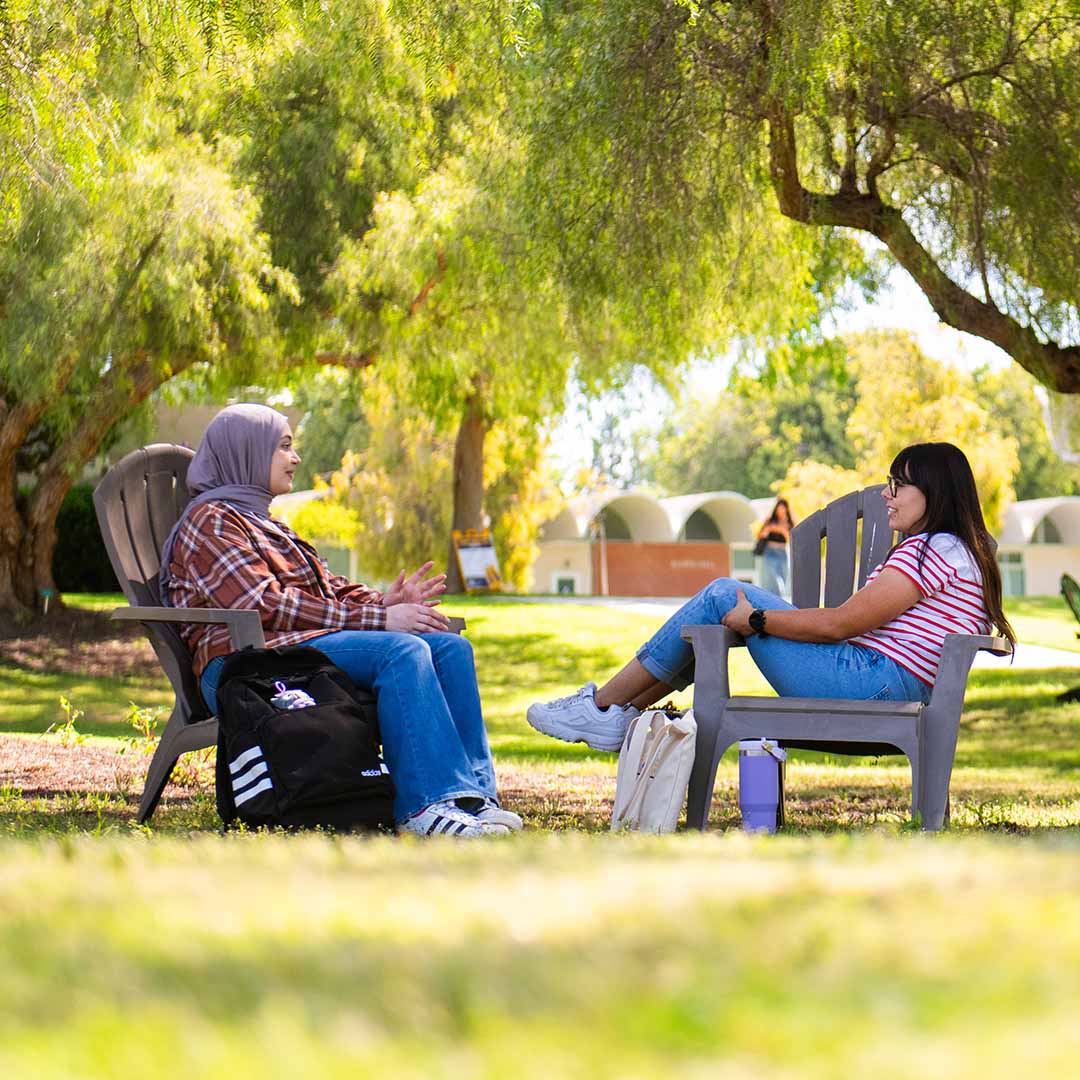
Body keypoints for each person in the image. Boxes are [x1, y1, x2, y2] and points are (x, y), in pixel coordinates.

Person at [160, 403, 521, 838]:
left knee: (448, 647)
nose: (295, 459)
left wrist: (383, 601)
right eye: (284, 447)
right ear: (247, 452)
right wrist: (382, 620)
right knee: (401, 651)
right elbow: (263, 603)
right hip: (247, 666)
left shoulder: (268, 524)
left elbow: (328, 586)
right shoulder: (211, 520)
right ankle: (424, 806)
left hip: (295, 650)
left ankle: (471, 798)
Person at [528, 442, 1016, 750]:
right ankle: (618, 714)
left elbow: (839, 625)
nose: (888, 494)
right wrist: (754, 619)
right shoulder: (956, 551)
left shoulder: (930, 549)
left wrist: (757, 619)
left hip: (872, 685)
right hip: (890, 685)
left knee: (723, 594)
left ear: (934, 492)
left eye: (899, 485)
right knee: (723, 610)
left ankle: (602, 707)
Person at [755, 498, 794, 599]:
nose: (780, 511)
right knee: (773, 579)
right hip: (769, 552)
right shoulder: (770, 520)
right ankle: (775, 600)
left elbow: (791, 539)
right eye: (779, 509)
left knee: (783, 578)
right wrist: (768, 529)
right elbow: (760, 535)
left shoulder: (790, 523)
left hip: (782, 552)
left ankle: (778, 600)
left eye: (783, 509)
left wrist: (781, 530)